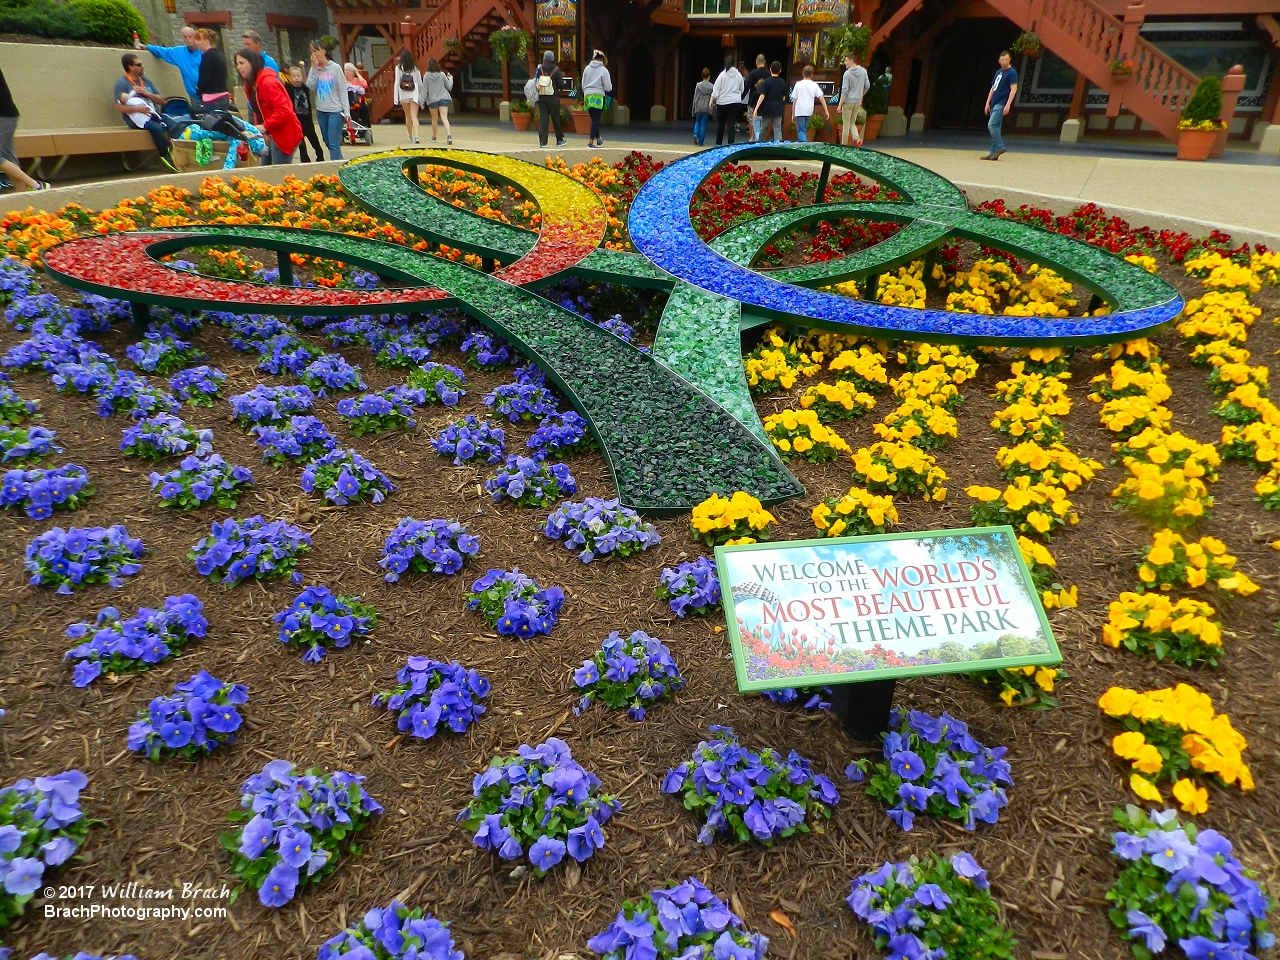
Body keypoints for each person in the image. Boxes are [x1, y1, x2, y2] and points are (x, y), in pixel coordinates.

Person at [234, 49, 301, 165]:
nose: (238, 67)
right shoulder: (250, 85)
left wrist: (264, 126)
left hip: (284, 135)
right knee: (264, 171)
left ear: (252, 62)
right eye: (237, 64)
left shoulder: (268, 83)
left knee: (278, 176)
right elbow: (259, 111)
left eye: (242, 63)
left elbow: (284, 110)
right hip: (268, 136)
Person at [114, 53, 178, 173]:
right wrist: (138, 109)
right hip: (138, 119)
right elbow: (119, 107)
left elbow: (163, 101)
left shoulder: (146, 81)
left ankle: (182, 152)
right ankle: (165, 155)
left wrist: (147, 94)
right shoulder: (122, 83)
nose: (142, 66)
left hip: (155, 114)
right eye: (139, 64)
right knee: (156, 129)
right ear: (131, 67)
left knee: (176, 125)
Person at [0, 67, 49, 190]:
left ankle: (36, 185)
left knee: (4, 157)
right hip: (8, 115)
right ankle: (22, 197)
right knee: (8, 158)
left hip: (3, 115)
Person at [307, 40, 349, 160]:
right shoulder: (315, 68)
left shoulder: (335, 68)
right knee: (327, 140)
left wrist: (347, 112)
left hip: (335, 110)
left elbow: (342, 90)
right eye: (312, 51)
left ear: (323, 51)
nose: (314, 54)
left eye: (316, 50)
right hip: (321, 110)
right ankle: (341, 164)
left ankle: (334, 170)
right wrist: (314, 69)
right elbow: (310, 86)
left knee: (334, 142)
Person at [143, 26, 201, 104]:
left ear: (195, 37)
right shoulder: (179, 52)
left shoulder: (203, 52)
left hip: (208, 93)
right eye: (185, 37)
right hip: (193, 95)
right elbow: (164, 52)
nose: (188, 38)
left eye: (190, 36)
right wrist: (147, 47)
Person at [983, 50, 1018, 160]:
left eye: (1006, 59)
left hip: (1001, 102)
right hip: (994, 102)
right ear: (999, 61)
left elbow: (1014, 88)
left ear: (1009, 59)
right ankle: (993, 151)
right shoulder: (998, 72)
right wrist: (987, 102)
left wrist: (1008, 104)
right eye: (1002, 60)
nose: (1004, 61)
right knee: (996, 127)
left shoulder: (1011, 72)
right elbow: (993, 88)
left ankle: (1000, 147)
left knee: (991, 125)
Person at [285, 65, 323, 162]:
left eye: (298, 76)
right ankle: (305, 160)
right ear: (290, 78)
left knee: (314, 141)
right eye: (294, 76)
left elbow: (307, 81)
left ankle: (320, 156)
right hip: (297, 121)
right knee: (301, 144)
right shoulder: (289, 88)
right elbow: (281, 81)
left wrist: (302, 68)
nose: (296, 78)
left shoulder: (305, 88)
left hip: (308, 120)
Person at [194, 28, 233, 113]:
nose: (196, 42)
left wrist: (198, 87)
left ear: (206, 41)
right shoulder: (217, 54)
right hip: (223, 96)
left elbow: (206, 78)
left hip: (213, 99)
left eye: (198, 39)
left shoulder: (208, 56)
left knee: (212, 124)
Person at [533, 51, 566, 148]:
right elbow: (561, 85)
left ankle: (542, 142)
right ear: (553, 58)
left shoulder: (540, 68)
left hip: (542, 96)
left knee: (543, 118)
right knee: (555, 118)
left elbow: (535, 80)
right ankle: (559, 140)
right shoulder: (556, 70)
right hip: (553, 97)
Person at [710, 56, 744, 146]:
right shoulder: (739, 75)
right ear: (734, 63)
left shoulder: (722, 75)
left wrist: (712, 99)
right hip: (735, 102)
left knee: (721, 123)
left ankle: (719, 143)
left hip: (722, 102)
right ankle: (731, 143)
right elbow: (742, 89)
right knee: (731, 123)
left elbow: (716, 88)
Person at [580, 50, 611, 149]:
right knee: (596, 120)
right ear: (602, 59)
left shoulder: (587, 69)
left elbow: (583, 84)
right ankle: (590, 142)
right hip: (598, 96)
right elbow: (608, 87)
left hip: (588, 96)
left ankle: (598, 140)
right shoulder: (604, 70)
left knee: (594, 119)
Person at [790, 64, 829, 142]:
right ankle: (800, 147)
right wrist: (826, 110)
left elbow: (794, 100)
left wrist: (793, 113)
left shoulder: (798, 84)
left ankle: (805, 145)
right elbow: (821, 98)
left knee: (800, 130)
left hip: (800, 110)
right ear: (812, 75)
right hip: (809, 110)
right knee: (803, 130)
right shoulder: (814, 85)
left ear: (802, 73)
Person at [419, 57, 454, 144]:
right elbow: (449, 87)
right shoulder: (442, 74)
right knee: (444, 118)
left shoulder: (426, 76)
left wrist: (421, 102)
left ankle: (434, 137)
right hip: (443, 98)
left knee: (434, 119)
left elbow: (424, 90)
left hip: (432, 100)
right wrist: (451, 79)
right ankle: (449, 136)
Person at [838, 51, 869, 146]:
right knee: (852, 123)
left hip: (848, 102)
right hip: (857, 101)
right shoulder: (864, 71)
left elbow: (845, 90)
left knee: (846, 125)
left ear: (852, 61)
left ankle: (844, 146)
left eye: (846, 60)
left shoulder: (847, 74)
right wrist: (861, 96)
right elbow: (867, 86)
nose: (845, 63)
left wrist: (840, 104)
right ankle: (857, 139)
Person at [752, 60, 788, 142]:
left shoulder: (766, 82)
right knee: (777, 129)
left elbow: (762, 96)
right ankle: (778, 146)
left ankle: (759, 144)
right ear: (780, 71)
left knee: (764, 128)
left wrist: (756, 109)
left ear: (770, 69)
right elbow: (784, 97)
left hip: (767, 109)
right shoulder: (782, 82)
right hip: (778, 109)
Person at [393, 49, 422, 144]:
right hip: (414, 93)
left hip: (403, 93)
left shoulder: (399, 68)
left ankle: (410, 136)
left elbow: (397, 82)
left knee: (407, 116)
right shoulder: (415, 68)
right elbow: (420, 83)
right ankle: (417, 136)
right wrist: (421, 95)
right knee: (414, 116)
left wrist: (395, 98)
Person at [743, 54, 769, 143]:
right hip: (765, 99)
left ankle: (752, 137)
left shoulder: (753, 73)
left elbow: (747, 86)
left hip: (753, 100)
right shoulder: (768, 73)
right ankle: (762, 138)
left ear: (756, 62)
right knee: (764, 120)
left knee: (751, 118)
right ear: (764, 62)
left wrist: (741, 97)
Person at [344, 63, 371, 129]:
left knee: (365, 107)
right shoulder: (342, 80)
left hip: (358, 102)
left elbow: (365, 85)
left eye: (349, 70)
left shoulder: (357, 80)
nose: (347, 72)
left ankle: (366, 126)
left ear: (353, 72)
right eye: (345, 70)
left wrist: (358, 74)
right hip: (346, 102)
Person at [691, 66, 713, 147]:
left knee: (697, 122)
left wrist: (694, 108)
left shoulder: (698, 85)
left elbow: (695, 97)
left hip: (699, 106)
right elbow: (713, 98)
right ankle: (701, 142)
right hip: (707, 108)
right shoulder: (712, 86)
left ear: (702, 76)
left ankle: (695, 134)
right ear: (709, 76)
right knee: (703, 124)